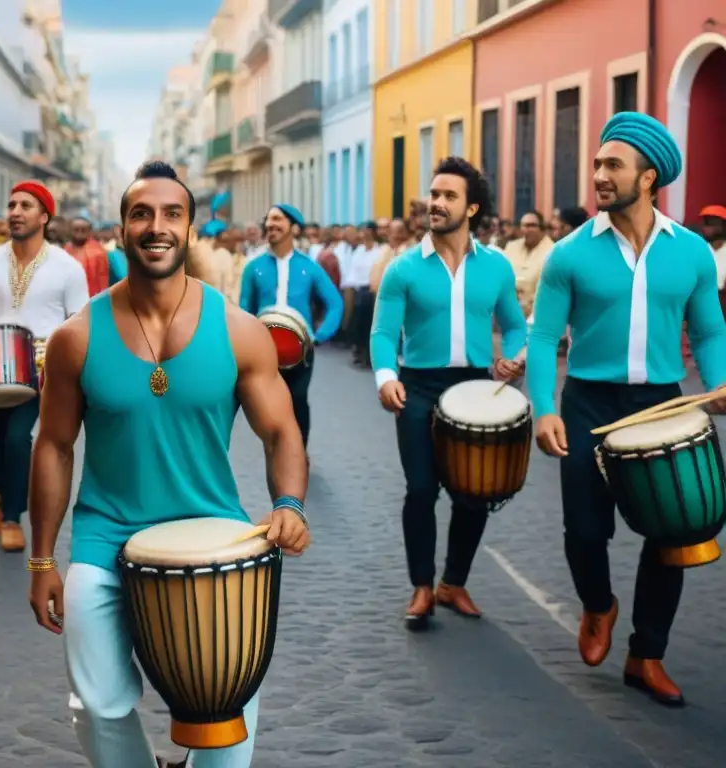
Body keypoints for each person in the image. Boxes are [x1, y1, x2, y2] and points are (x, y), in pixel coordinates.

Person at [26, 161, 310, 768]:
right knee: (96, 704)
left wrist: (289, 503)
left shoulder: (239, 330)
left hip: (217, 537)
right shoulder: (77, 337)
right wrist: (43, 558)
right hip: (105, 538)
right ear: (122, 229)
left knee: (229, 702)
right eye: (141, 213)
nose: (157, 226)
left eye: (171, 214)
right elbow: (52, 444)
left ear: (190, 228)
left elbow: (281, 430)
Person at [527, 112, 726, 707]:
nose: (599, 175)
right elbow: (542, 338)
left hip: (663, 404)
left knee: (672, 534)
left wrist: (717, 384)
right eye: (597, 164)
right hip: (588, 402)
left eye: (612, 165)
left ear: (649, 178)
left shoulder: (691, 252)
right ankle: (598, 604)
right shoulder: (568, 255)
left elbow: (709, 330)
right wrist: (543, 408)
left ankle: (647, 654)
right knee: (585, 531)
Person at [371, 156, 527, 627]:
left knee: (474, 493)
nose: (435, 203)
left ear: (472, 208)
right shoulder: (403, 269)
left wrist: (515, 357)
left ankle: (453, 583)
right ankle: (422, 587)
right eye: (433, 195)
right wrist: (386, 377)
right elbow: (382, 335)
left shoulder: (496, 268)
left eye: (447, 196)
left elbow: (516, 327)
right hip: (417, 388)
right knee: (421, 490)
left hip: (477, 386)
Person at [0, 181, 89, 553]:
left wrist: (57, 353)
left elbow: (81, 319)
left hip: (39, 369)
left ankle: (11, 516)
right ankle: (7, 492)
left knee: (16, 439)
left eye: (25, 205)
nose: (15, 211)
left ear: (44, 216)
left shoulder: (67, 268)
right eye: (11, 204)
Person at [238, 204, 343, 450]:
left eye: (278, 220)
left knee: (297, 399)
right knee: (268, 404)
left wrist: (320, 336)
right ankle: (277, 450)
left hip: (300, 352)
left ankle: (298, 451)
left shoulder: (309, 267)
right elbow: (244, 309)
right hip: (264, 351)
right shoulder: (253, 267)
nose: (271, 225)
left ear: (293, 228)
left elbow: (335, 303)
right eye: (269, 220)